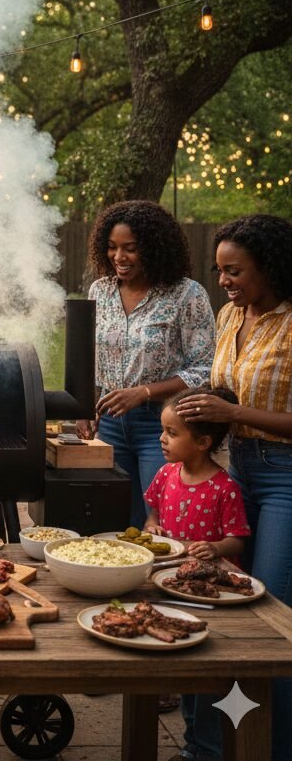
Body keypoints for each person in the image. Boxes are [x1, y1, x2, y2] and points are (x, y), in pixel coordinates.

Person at [178, 214, 292, 761]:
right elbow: (224, 392)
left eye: (235, 270)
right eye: (220, 270)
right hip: (233, 468)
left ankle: (274, 747)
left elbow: (242, 404)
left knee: (269, 618)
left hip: (284, 477)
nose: (223, 280)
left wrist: (231, 409)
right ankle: (210, 747)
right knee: (215, 607)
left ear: (269, 267)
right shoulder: (228, 316)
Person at [81, 200, 215, 527]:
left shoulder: (186, 294)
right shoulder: (100, 291)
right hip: (110, 422)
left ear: (154, 248)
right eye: (112, 248)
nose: (119, 257)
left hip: (164, 425)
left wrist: (143, 392)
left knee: (164, 521)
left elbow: (205, 367)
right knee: (117, 521)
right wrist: (85, 407)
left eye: (130, 248)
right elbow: (92, 357)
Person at [146, 387, 249, 761]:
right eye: (163, 431)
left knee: (205, 673)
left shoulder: (224, 488)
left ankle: (205, 748)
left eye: (172, 433)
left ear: (203, 442)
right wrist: (153, 527)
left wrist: (217, 548)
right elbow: (152, 513)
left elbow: (237, 540)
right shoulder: (165, 474)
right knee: (184, 671)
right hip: (173, 586)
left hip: (209, 596)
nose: (162, 439)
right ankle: (193, 744)